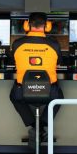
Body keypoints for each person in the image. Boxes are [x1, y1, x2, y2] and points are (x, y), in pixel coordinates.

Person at [9, 12, 64, 147]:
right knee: (59, 99)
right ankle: (42, 126)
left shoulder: (17, 44)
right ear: (47, 26)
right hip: (50, 91)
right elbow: (58, 64)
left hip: (23, 91)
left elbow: (14, 62)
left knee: (14, 97)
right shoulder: (54, 44)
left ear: (27, 25)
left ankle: (35, 126)